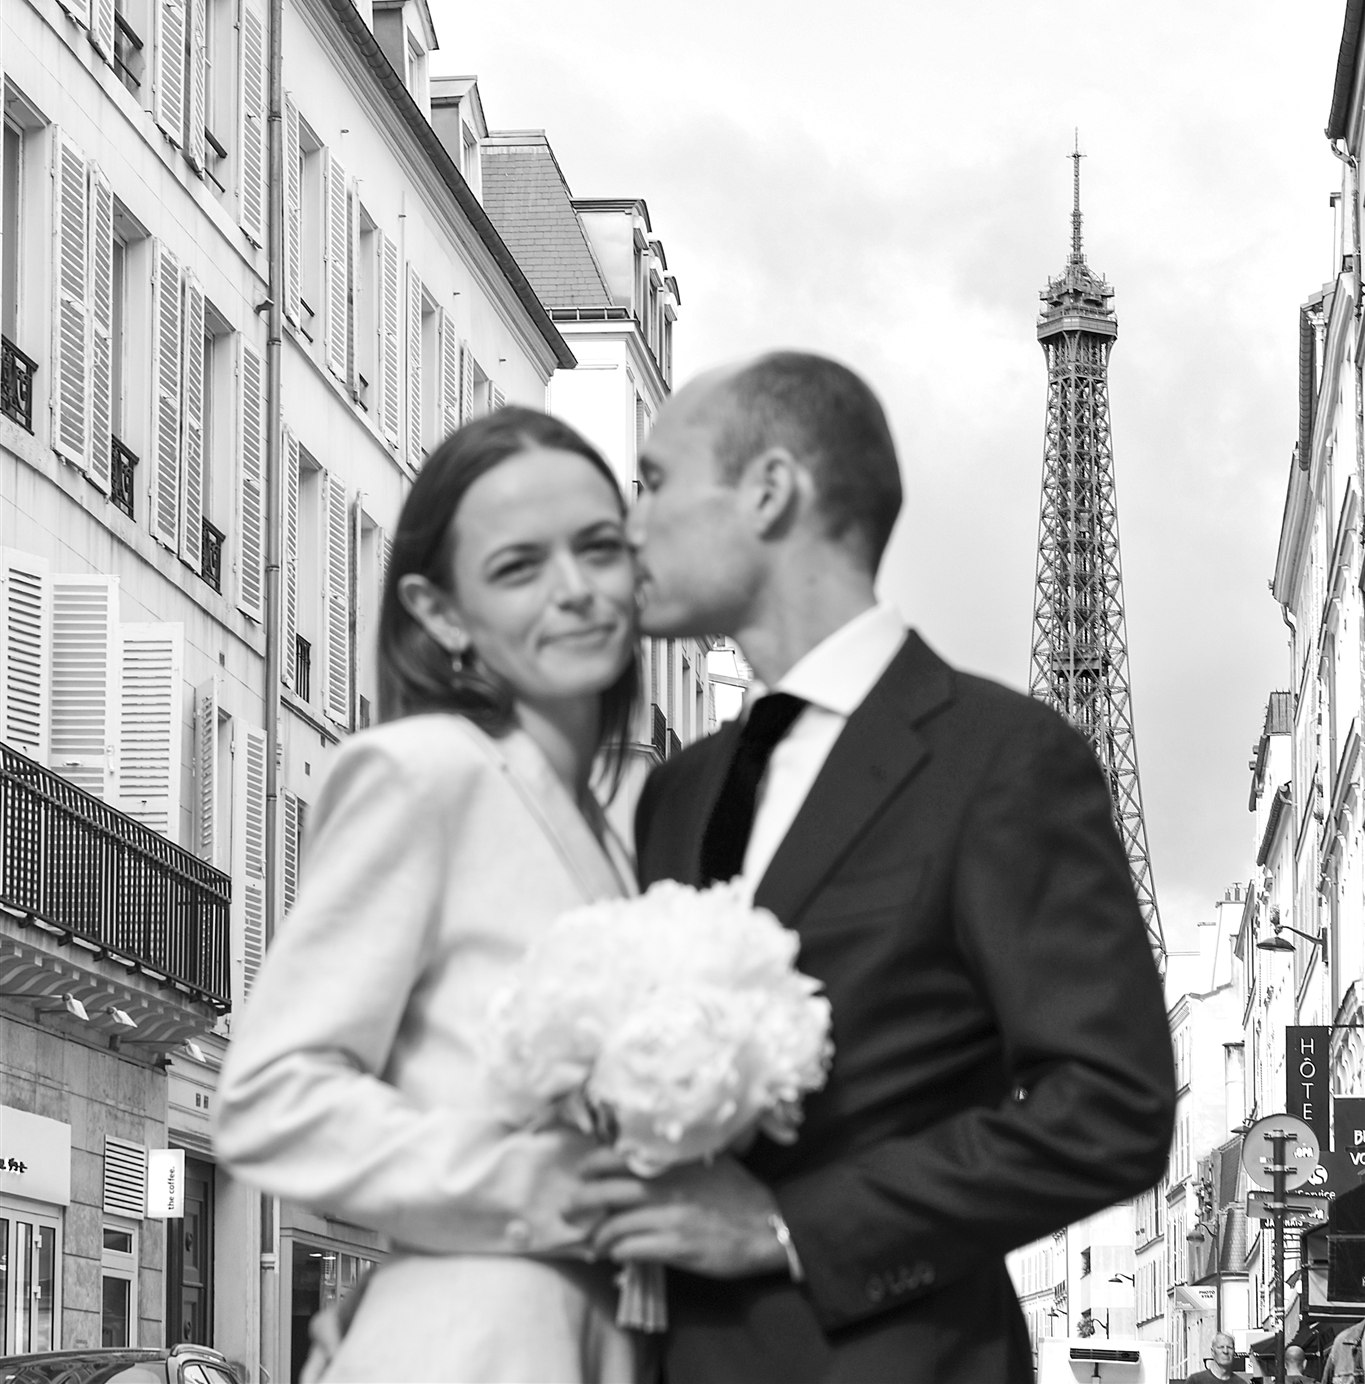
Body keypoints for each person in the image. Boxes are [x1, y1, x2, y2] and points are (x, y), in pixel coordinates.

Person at [570, 351, 1177, 1383]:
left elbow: (1111, 1105)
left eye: (657, 481)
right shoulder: (681, 789)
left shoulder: (1002, 760)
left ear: (770, 490)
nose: (630, 525)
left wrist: (792, 1229)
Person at [214, 408, 644, 1384]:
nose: (576, 589)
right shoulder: (420, 771)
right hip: (473, 1338)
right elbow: (271, 1097)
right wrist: (541, 1185)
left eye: (599, 547)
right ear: (441, 612)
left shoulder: (607, 829)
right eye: (519, 566)